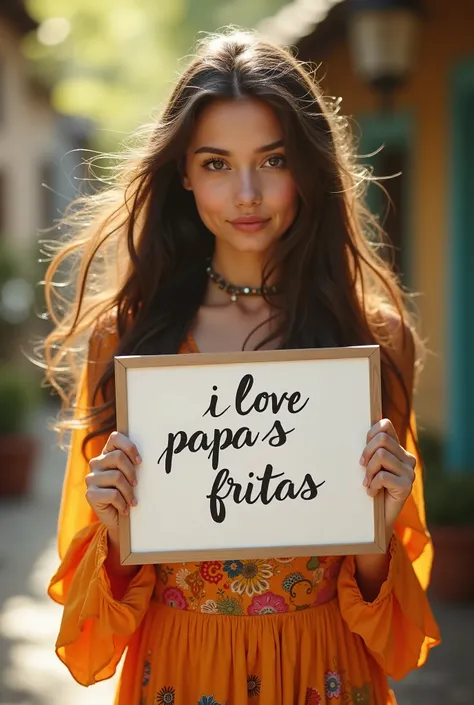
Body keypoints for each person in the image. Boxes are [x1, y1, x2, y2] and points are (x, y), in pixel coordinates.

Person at [44, 29, 440, 705]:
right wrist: (114, 532)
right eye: (218, 163)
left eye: (274, 159)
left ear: (308, 168)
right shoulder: (130, 342)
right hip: (177, 672)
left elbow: (396, 632)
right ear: (185, 173)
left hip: (327, 674)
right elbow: (89, 636)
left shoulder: (372, 339)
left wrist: (378, 518)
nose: (247, 192)